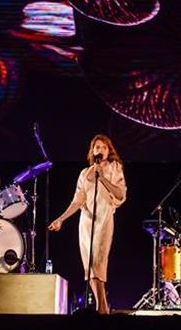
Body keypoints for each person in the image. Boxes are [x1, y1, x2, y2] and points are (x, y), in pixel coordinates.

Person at [48, 134, 127, 314]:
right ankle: (103, 308)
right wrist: (61, 219)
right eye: (97, 147)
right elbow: (77, 201)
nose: (100, 150)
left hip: (104, 219)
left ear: (109, 151)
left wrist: (104, 179)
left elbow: (121, 194)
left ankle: (102, 307)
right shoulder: (85, 173)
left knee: (98, 263)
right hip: (86, 222)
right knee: (90, 266)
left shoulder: (115, 168)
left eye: (104, 147)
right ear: (92, 151)